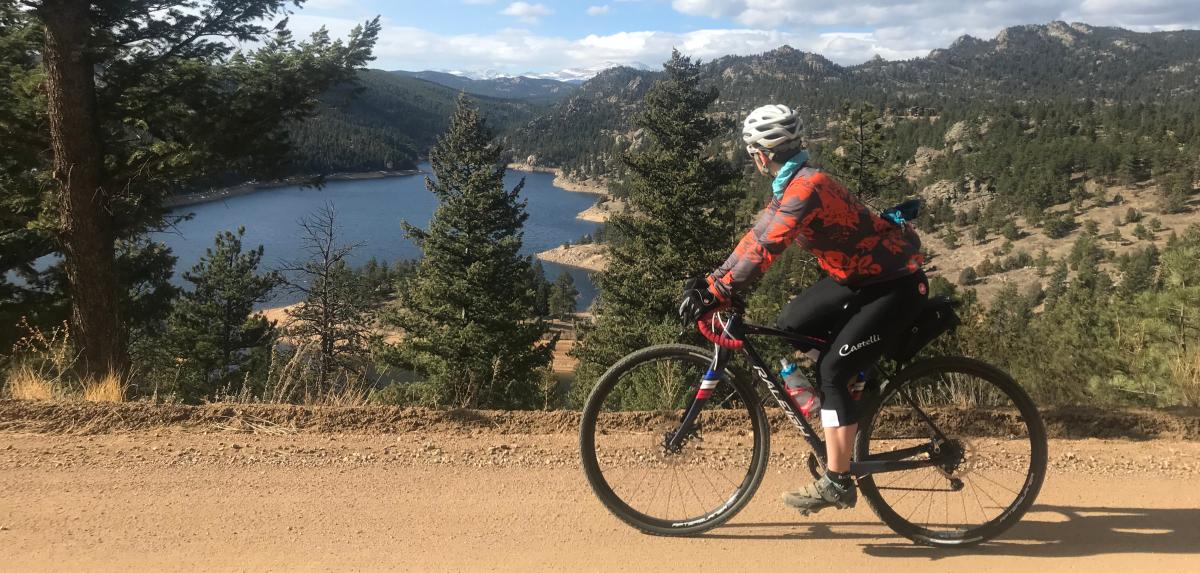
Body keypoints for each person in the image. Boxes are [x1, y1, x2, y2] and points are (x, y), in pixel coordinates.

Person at [678, 104, 928, 514]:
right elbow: (756, 236)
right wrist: (711, 282)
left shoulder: (806, 188)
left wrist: (718, 290)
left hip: (895, 284)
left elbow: (767, 246)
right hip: (860, 277)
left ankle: (837, 480)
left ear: (760, 154)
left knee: (833, 370)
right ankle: (854, 388)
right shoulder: (795, 183)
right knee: (792, 322)